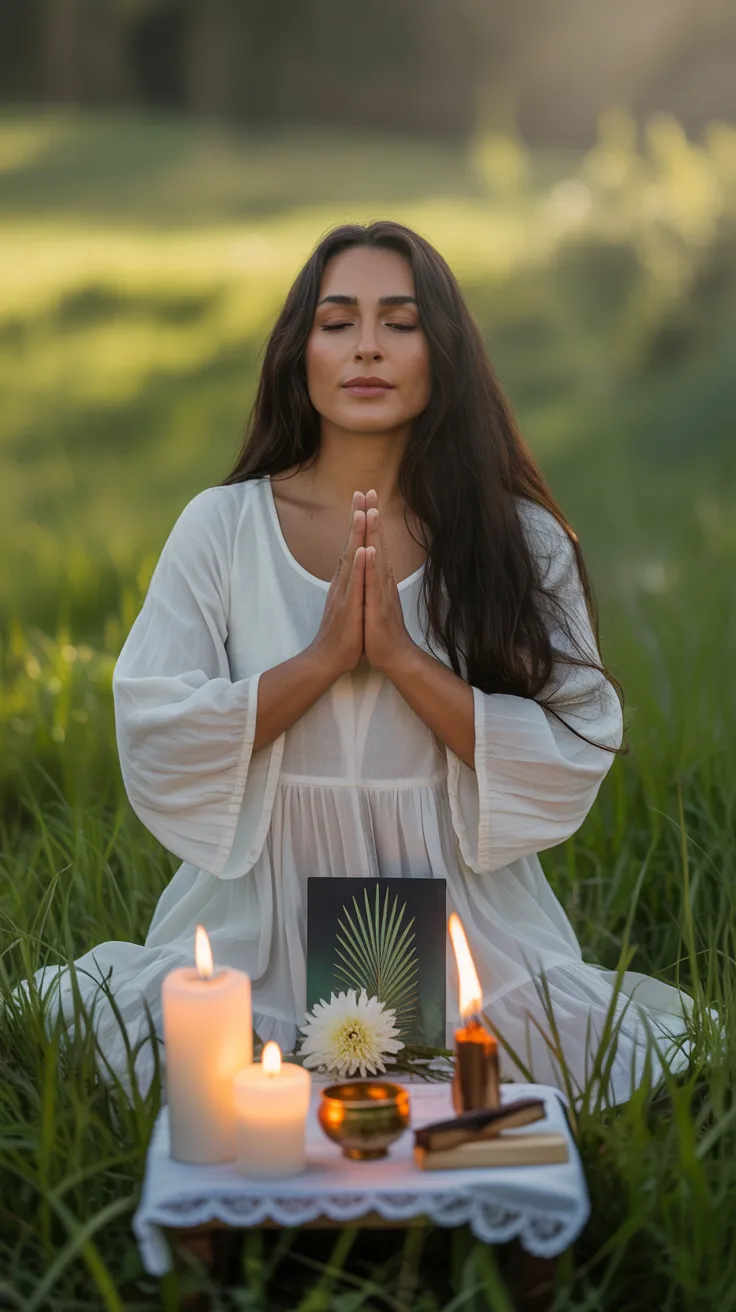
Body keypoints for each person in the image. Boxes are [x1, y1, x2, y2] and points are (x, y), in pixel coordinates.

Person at [21, 221, 694, 1106]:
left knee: (496, 1072)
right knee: (226, 1076)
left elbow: (574, 740)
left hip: (461, 917)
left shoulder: (518, 538)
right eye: (338, 322)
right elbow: (157, 728)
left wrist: (406, 663)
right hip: (262, 919)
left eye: (400, 322)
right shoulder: (221, 529)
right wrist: (324, 659)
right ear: (299, 350)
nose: (367, 347)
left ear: (442, 350)